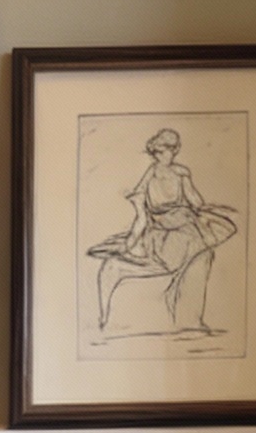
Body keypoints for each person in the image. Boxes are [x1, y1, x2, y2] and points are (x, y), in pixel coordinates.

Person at [88, 128, 238, 334]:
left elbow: (195, 202)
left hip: (186, 228)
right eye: (158, 152)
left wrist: (198, 202)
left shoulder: (181, 172)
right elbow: (141, 218)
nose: (162, 155)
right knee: (190, 249)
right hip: (163, 235)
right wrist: (128, 245)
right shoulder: (151, 176)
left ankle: (189, 317)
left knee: (201, 251)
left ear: (174, 150)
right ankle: (183, 313)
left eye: (166, 151)